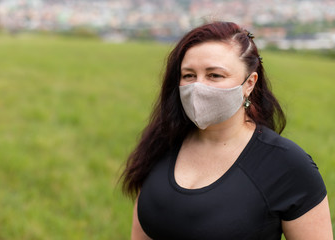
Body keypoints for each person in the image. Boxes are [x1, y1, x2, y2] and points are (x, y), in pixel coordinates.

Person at [121, 21, 333, 240]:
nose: (198, 87)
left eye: (214, 75)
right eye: (188, 76)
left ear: (249, 83)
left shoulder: (287, 166)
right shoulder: (161, 144)